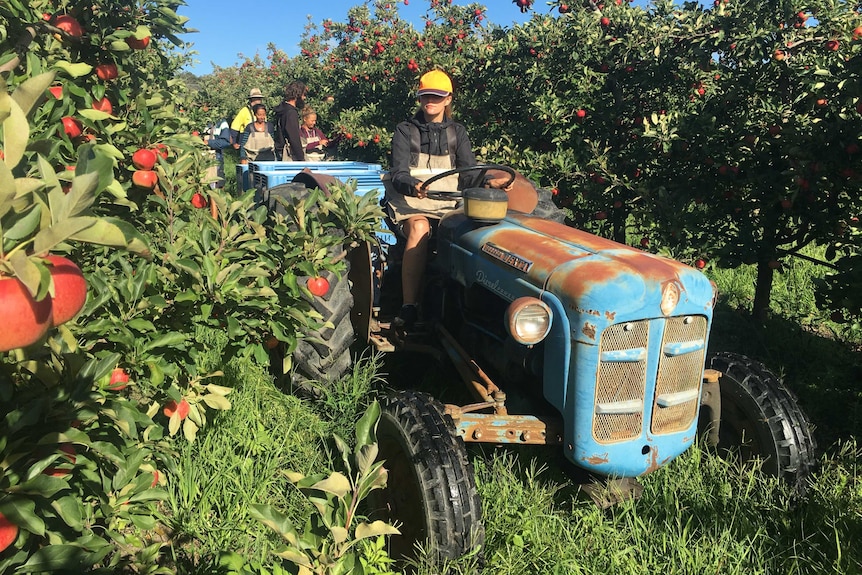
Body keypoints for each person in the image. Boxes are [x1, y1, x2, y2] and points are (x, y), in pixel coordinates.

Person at [386, 69, 512, 329]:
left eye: (436, 96)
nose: (430, 101)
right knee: (420, 228)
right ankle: (409, 306)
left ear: (448, 99)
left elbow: (468, 174)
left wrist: (488, 182)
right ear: (419, 99)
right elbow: (398, 173)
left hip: (448, 203)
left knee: (477, 231)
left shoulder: (458, 132)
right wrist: (413, 184)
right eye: (425, 96)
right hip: (411, 204)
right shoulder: (404, 131)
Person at [273, 81, 307, 161]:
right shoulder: (291, 113)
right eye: (303, 94)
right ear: (297, 95)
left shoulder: (282, 109)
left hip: (279, 150)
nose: (304, 98)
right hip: (288, 154)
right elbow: (293, 137)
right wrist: (301, 159)